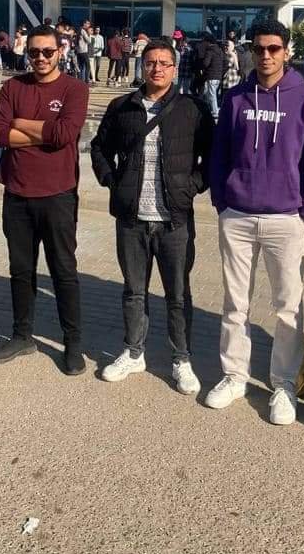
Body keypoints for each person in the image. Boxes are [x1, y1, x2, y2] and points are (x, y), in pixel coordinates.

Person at [205, 20, 304, 424]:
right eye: (258, 49)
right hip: (237, 215)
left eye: (273, 48)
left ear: (286, 51)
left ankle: (284, 383)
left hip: (285, 218)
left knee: (288, 306)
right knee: (235, 303)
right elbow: (219, 153)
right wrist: (222, 200)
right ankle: (234, 376)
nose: (266, 55)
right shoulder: (236, 97)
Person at [91, 38, 213, 393]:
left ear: (174, 69)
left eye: (163, 63)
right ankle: (133, 352)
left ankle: (182, 359)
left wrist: (192, 186)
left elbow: (213, 156)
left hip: (175, 220)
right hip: (132, 219)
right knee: (134, 290)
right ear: (141, 66)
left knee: (177, 294)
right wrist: (111, 181)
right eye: (150, 62)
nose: (156, 68)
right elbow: (99, 148)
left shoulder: (192, 109)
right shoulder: (122, 107)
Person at [0, 25, 89, 374]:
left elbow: (64, 135)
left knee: (63, 271)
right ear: (26, 52)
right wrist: (42, 131)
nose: (41, 58)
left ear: (60, 51)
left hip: (58, 195)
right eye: (34, 52)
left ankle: (72, 343)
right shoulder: (12, 87)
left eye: (47, 51)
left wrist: (19, 122)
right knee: (21, 270)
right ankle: (22, 335)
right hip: (17, 194)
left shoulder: (75, 89)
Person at [196, 31, 224, 122]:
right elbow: (225, 62)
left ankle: (215, 112)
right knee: (208, 93)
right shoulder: (220, 51)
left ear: (208, 42)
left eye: (205, 42)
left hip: (211, 75)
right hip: (218, 76)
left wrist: (201, 64)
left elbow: (205, 63)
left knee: (211, 94)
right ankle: (207, 109)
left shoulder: (210, 51)